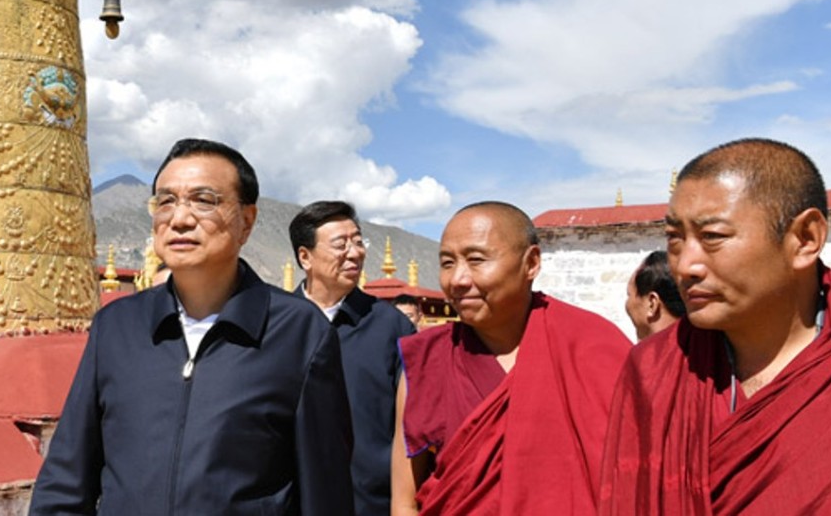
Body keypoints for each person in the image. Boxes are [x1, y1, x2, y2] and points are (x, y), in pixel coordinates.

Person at [31, 139, 354, 515]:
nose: (179, 218)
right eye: (165, 201)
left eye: (204, 200)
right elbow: (67, 478)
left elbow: (325, 492)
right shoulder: (117, 327)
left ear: (246, 222)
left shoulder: (299, 333)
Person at [599, 138, 831, 514]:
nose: (685, 266)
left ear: (805, 239)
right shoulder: (654, 370)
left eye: (712, 237)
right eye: (675, 239)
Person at [392, 201, 631, 515]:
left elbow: (633, 472)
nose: (458, 280)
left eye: (476, 260)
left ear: (531, 263)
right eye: (447, 263)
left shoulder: (593, 345)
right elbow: (404, 500)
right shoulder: (425, 361)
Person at [288, 201, 415, 516]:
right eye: (340, 244)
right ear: (305, 257)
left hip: (370, 503)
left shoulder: (393, 327)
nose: (355, 252)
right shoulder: (277, 323)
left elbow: (410, 428)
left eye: (358, 241)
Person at [624, 250, 685, 340]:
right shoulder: (703, 348)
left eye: (629, 295)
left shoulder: (649, 353)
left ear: (652, 304)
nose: (627, 304)